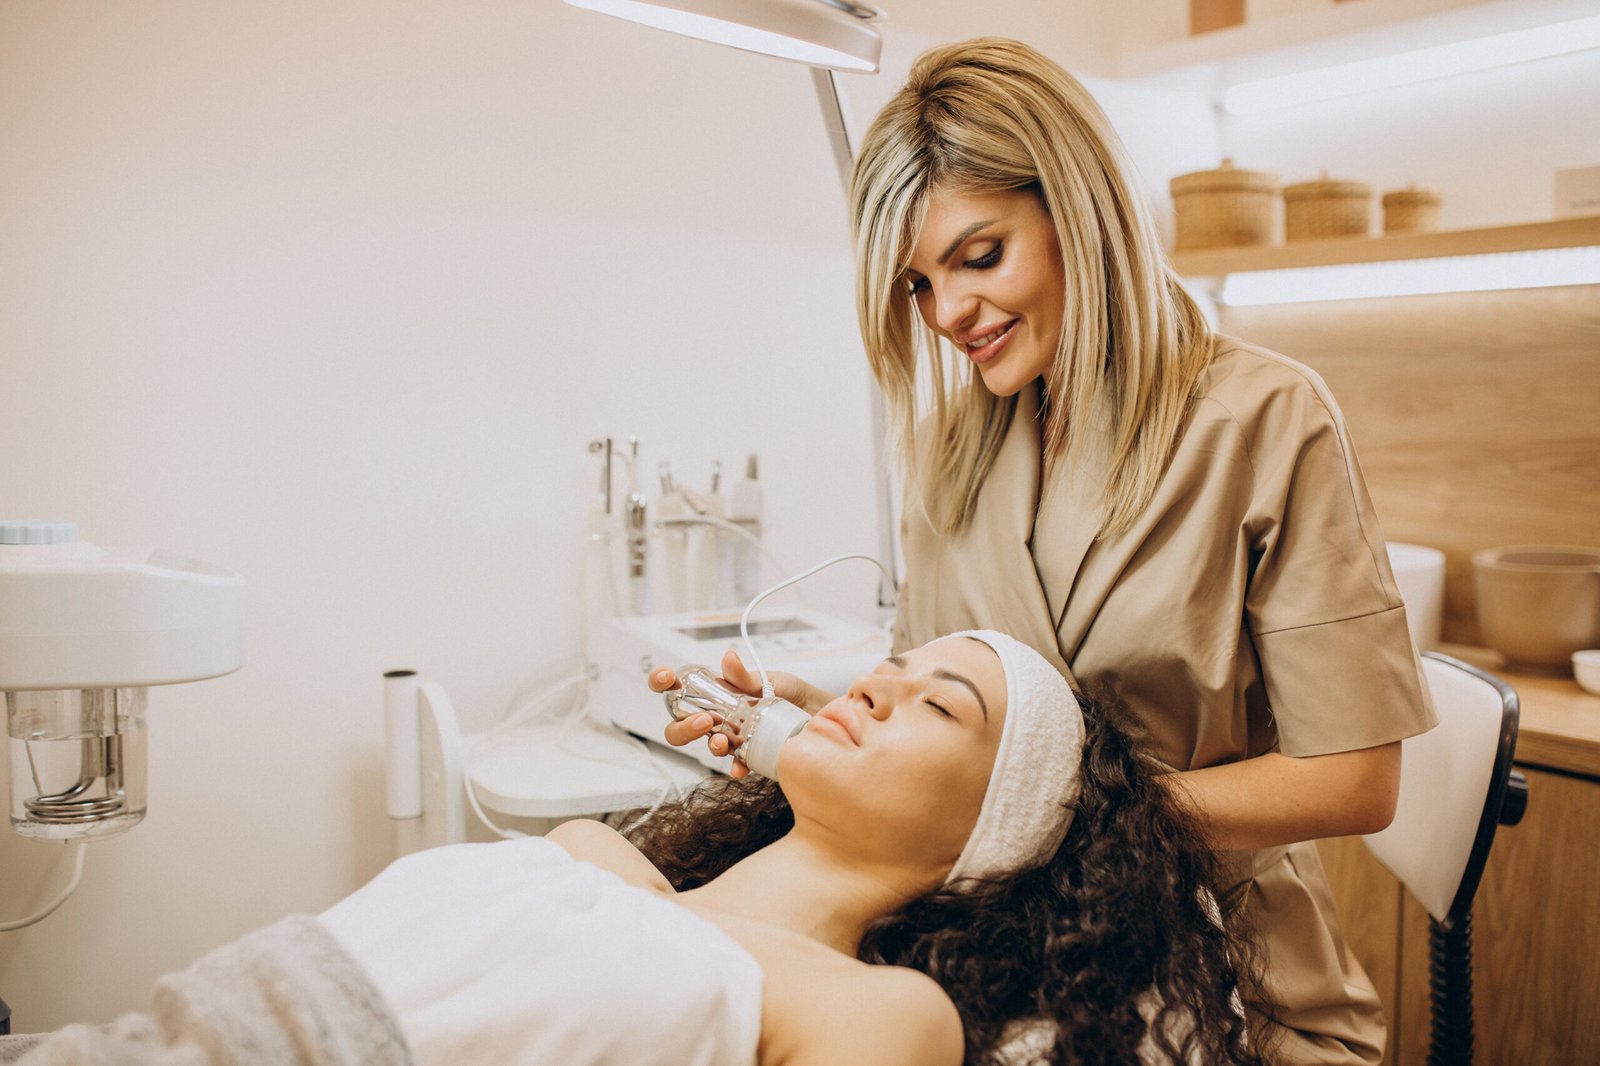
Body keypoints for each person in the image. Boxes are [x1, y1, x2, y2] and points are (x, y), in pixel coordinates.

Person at [663, 36, 1436, 1065]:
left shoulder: (1259, 419)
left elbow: (1352, 779)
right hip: (998, 959)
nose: (948, 315)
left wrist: (1038, 810)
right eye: (918, 286)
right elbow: (952, 693)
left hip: (1220, 965)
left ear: (1077, 210)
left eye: (979, 257)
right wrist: (828, 721)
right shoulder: (950, 455)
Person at [0, 632, 1260, 1066]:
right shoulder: (593, 852)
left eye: (938, 704)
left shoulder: (880, 1013)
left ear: (993, 841)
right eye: (894, 664)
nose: (876, 686)